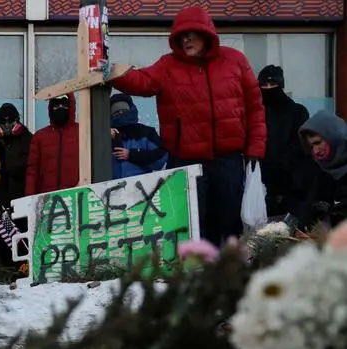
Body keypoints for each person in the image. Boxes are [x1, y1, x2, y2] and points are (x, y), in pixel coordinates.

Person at [111, 6, 266, 245]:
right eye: (180, 36)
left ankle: (230, 274)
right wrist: (110, 72)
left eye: (190, 34)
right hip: (187, 161)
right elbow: (141, 81)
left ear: (205, 34)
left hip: (229, 160)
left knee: (230, 223)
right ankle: (197, 276)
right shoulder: (167, 66)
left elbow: (255, 107)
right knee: (194, 226)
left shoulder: (235, 61)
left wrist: (255, 148)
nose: (185, 39)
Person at [257, 65, 312, 219]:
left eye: (273, 84)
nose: (268, 88)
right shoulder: (255, 111)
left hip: (291, 182)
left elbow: (302, 145)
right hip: (260, 178)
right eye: (264, 85)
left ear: (281, 85)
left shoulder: (297, 111)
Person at [0, 103, 32, 266]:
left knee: (23, 237)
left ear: (17, 121)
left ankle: (22, 269)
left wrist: (2, 166)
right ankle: (7, 268)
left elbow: (28, 164)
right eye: (3, 122)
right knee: (3, 238)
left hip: (21, 196)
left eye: (10, 122)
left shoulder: (29, 139)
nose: (6, 126)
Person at [289, 110, 347, 230]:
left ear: (333, 136)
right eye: (311, 147)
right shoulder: (319, 172)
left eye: (318, 143)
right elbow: (306, 214)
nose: (316, 151)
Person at [26, 94, 79, 196]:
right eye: (56, 106)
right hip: (46, 200)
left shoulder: (82, 132)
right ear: (50, 109)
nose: (60, 109)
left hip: (76, 197)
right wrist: (30, 199)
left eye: (64, 106)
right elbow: (32, 171)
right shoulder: (39, 136)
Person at [108, 93, 167, 180]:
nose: (120, 113)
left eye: (124, 110)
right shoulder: (104, 135)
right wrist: (104, 138)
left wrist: (131, 154)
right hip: (111, 191)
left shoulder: (146, 132)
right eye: (116, 112)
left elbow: (160, 159)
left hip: (141, 189)